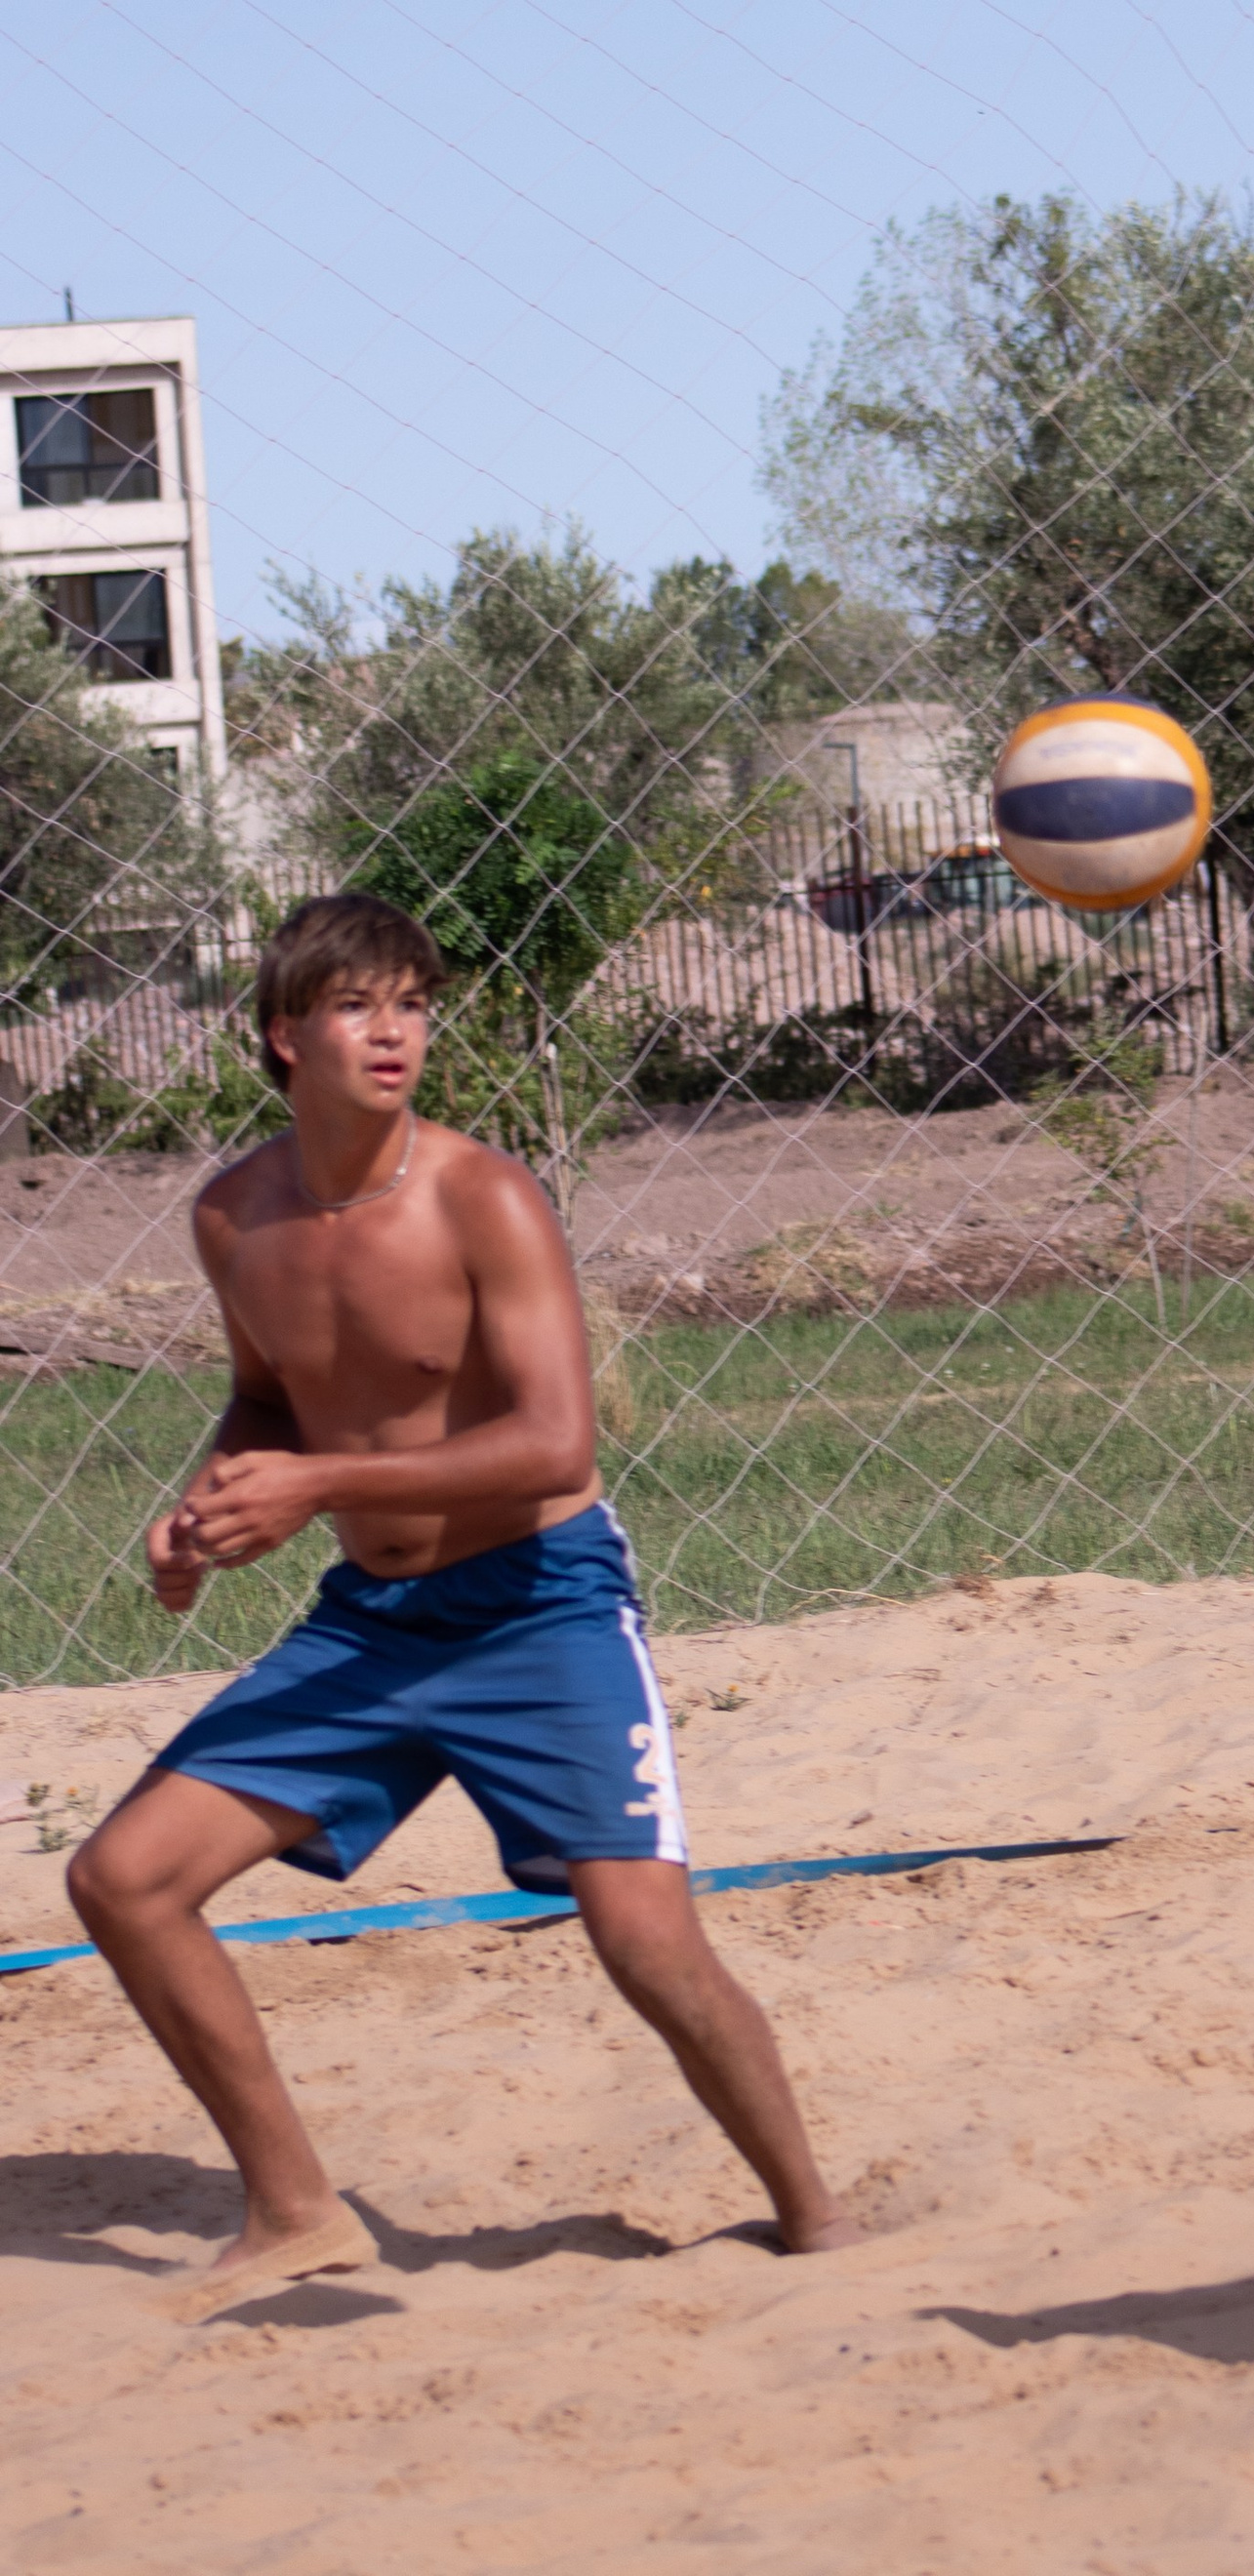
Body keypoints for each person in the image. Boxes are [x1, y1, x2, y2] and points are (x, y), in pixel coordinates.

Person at [68, 891, 853, 2318]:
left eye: (415, 1004)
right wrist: (205, 1504)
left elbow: (561, 1444)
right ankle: (297, 2210)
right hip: (375, 1619)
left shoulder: (482, 1193)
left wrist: (309, 1481)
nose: (395, 1032)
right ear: (281, 1036)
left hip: (541, 1605)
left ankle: (816, 2221)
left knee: (646, 1942)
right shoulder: (232, 1214)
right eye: (360, 1005)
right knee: (122, 1881)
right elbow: (266, 1393)